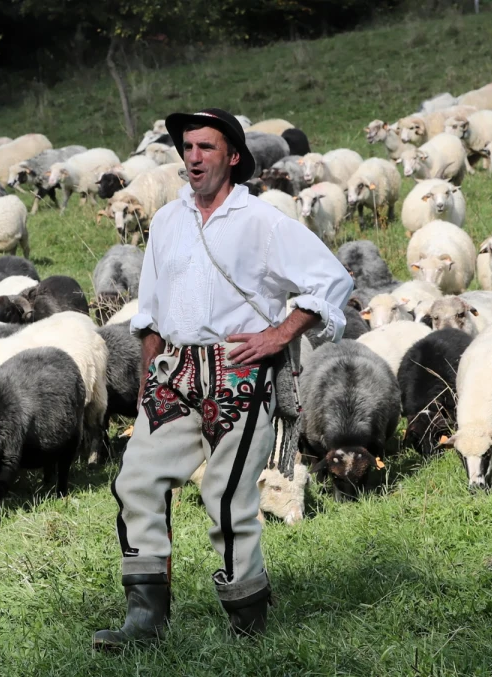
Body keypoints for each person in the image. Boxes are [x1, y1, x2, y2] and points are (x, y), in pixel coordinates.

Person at [92, 108, 355, 650]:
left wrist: (280, 335)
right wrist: (148, 376)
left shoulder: (262, 221)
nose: (193, 157)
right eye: (187, 148)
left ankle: (247, 623)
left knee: (228, 493)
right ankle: (144, 619)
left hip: (239, 371)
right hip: (174, 370)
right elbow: (151, 310)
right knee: (135, 480)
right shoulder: (167, 220)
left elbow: (331, 279)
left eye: (206, 147)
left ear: (232, 156)